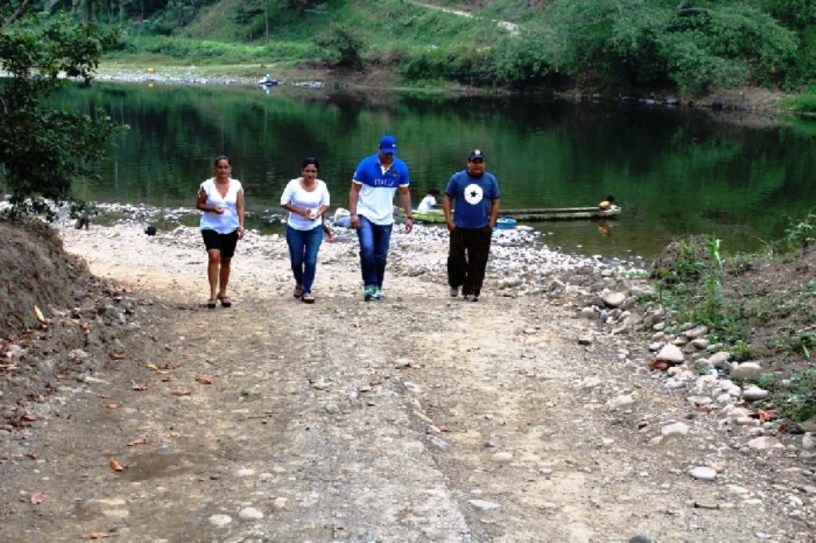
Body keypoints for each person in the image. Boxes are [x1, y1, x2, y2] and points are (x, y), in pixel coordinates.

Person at [349, 134, 413, 301]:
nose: (388, 157)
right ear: (379, 149)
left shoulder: (401, 168)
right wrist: (353, 213)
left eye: (391, 154)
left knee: (381, 255)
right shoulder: (366, 165)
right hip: (366, 213)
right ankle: (369, 284)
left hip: (386, 217)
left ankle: (378, 285)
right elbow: (354, 190)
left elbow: (404, 193)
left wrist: (409, 216)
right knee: (368, 248)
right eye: (385, 154)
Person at [443, 149, 500, 302]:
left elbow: (495, 201)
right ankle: (455, 282)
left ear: (484, 164)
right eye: (474, 162)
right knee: (455, 258)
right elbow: (447, 198)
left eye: (480, 162)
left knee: (478, 260)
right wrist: (449, 220)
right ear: (468, 163)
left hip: (481, 227)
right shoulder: (457, 178)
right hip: (459, 226)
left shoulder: (491, 180)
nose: (477, 165)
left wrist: (491, 222)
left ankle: (472, 290)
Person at [196, 155, 245, 309]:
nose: (222, 170)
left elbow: (240, 207)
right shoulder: (207, 185)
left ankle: (222, 292)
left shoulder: (236, 185)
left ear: (230, 169)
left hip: (230, 226)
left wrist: (241, 225)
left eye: (225, 167)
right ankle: (212, 294)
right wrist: (212, 208)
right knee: (213, 256)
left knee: (226, 259)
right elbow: (199, 204)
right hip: (210, 225)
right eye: (220, 167)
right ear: (215, 168)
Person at [280, 157, 331, 304]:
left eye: (313, 171)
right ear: (302, 171)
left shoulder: (322, 186)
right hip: (295, 227)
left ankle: (306, 290)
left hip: (314, 227)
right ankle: (299, 282)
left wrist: (318, 213)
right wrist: (301, 211)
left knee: (310, 259)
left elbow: (326, 204)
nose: (310, 174)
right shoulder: (293, 185)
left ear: (317, 172)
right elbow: (283, 202)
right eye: (307, 171)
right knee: (296, 261)